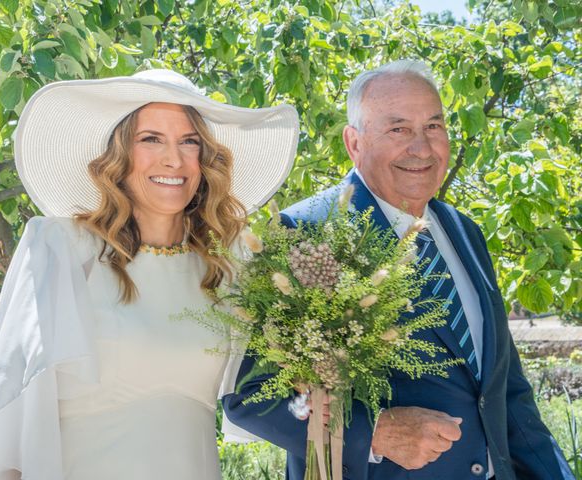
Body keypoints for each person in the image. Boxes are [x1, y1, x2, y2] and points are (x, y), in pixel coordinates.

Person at [222, 61, 574, 480]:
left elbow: (506, 392)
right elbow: (252, 396)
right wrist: (377, 434)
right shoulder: (306, 233)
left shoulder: (466, 231)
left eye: (433, 126)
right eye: (399, 129)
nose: (423, 148)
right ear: (354, 142)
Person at [0, 69, 299, 480]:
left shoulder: (230, 264)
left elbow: (267, 392)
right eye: (150, 138)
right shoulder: (61, 248)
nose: (173, 159)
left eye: (189, 141)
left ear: (205, 159)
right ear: (118, 155)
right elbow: (19, 419)